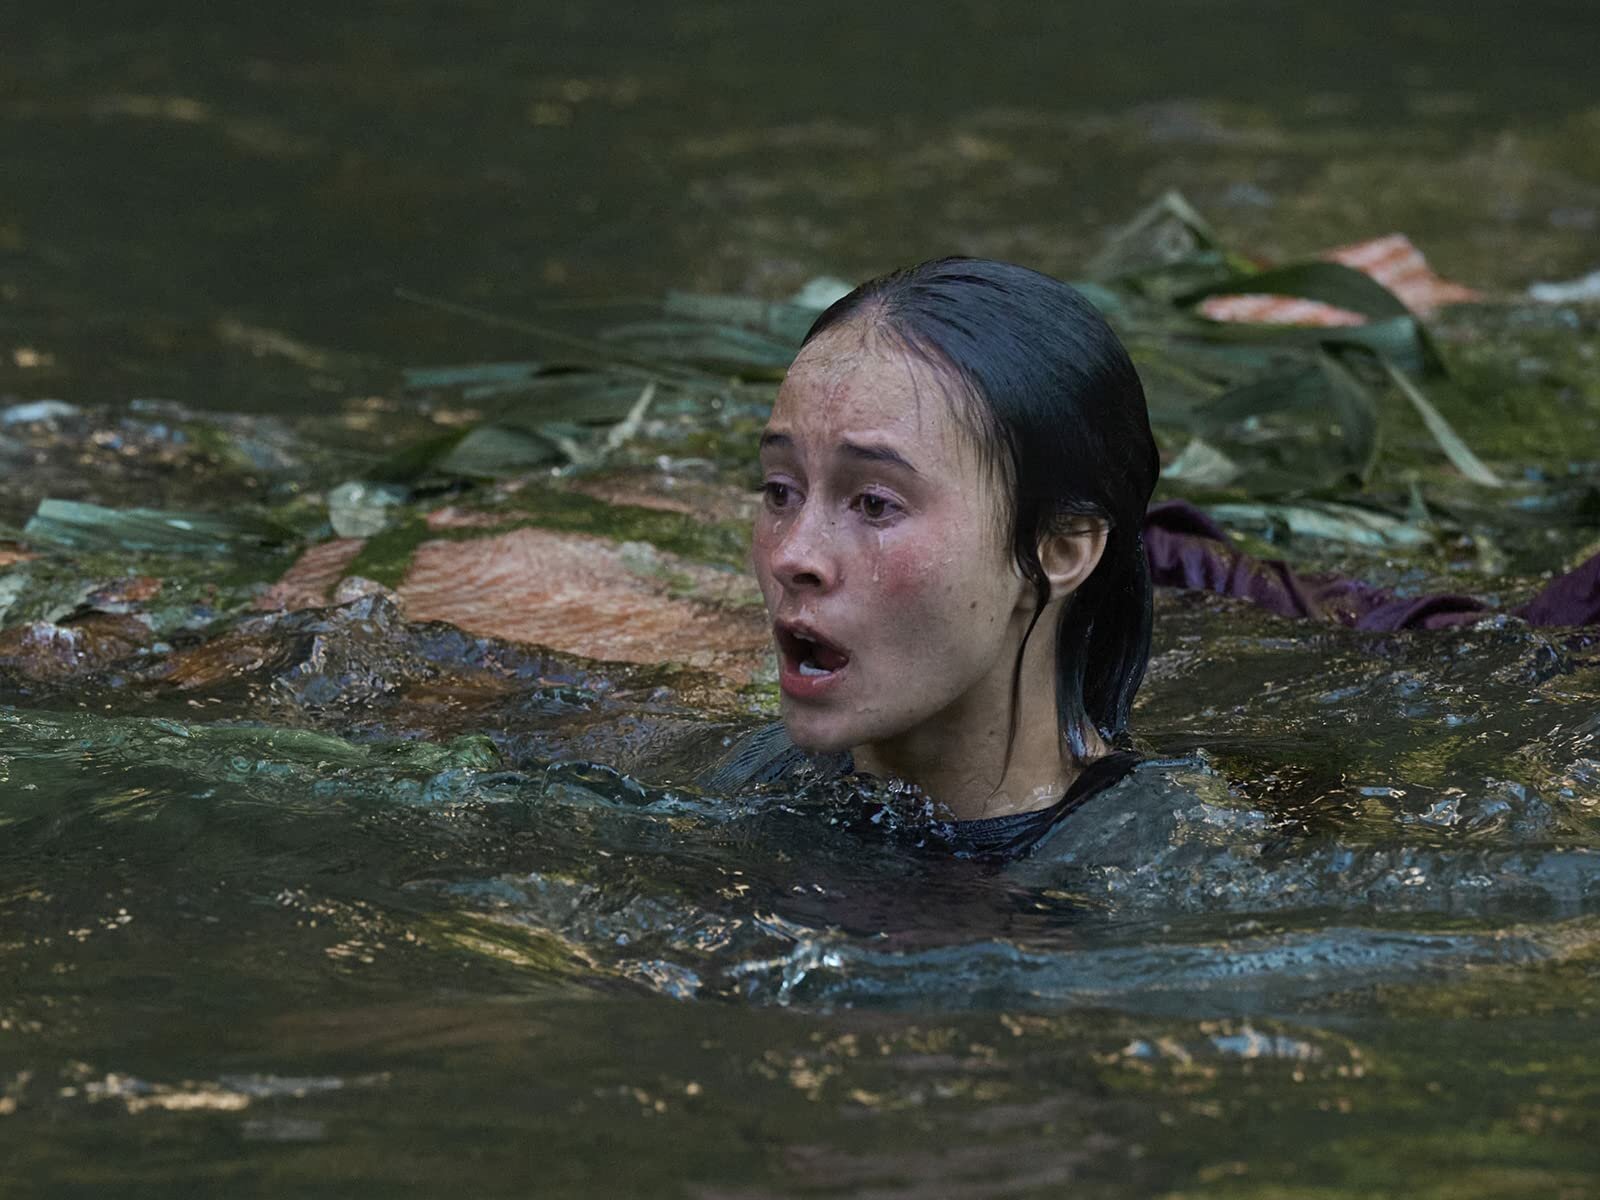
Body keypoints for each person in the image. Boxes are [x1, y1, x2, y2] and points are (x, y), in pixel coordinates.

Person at [701, 257, 1161, 856]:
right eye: (780, 491)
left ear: (1059, 550)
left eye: (874, 504)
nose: (792, 555)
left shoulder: (1155, 867)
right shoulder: (735, 781)